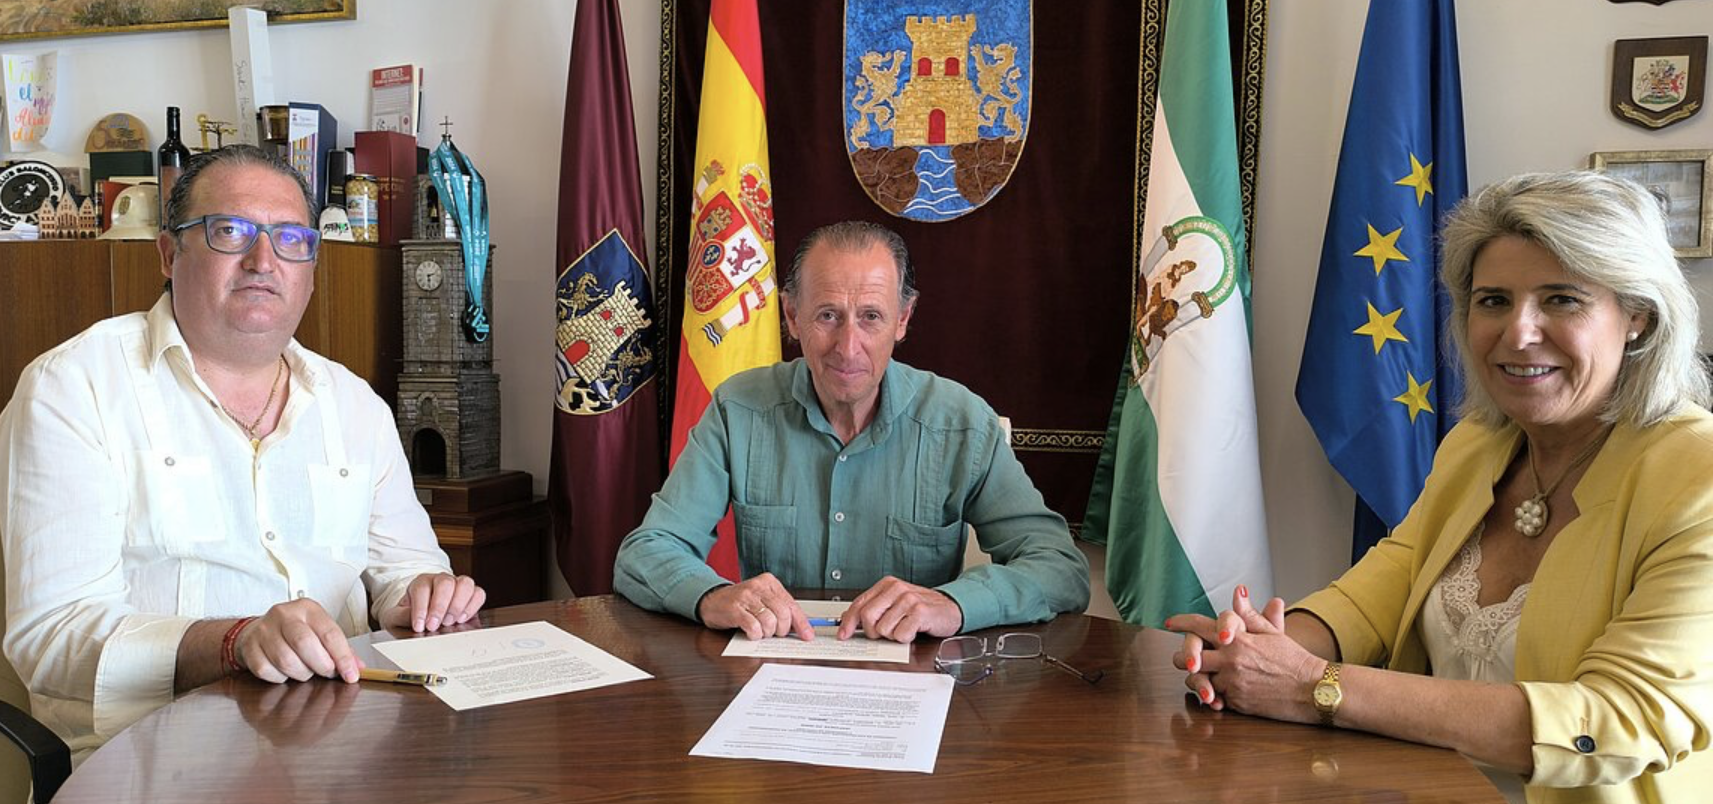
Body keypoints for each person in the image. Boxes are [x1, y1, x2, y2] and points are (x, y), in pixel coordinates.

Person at [1168, 171, 1713, 802]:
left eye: (1562, 299)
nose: (1518, 333)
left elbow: (1621, 720)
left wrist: (1316, 686)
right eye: (1493, 301)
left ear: (1638, 318)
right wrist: (1250, 652)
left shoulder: (1696, 477)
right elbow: (1381, 590)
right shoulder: (1478, 444)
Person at [0, 146, 484, 763]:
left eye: (290, 239)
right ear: (170, 254)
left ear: (310, 266)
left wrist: (423, 596)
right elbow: (53, 636)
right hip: (154, 759)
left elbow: (401, 572)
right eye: (231, 231)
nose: (264, 261)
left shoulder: (356, 405)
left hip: (342, 746)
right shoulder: (76, 388)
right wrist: (235, 642)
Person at [614, 220, 1088, 642]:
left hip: (916, 689)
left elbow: (1060, 569)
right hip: (777, 674)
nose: (848, 346)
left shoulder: (961, 422)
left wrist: (954, 604)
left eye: (871, 316)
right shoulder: (738, 410)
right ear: (792, 317)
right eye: (827, 316)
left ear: (902, 320)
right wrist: (710, 595)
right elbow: (646, 552)